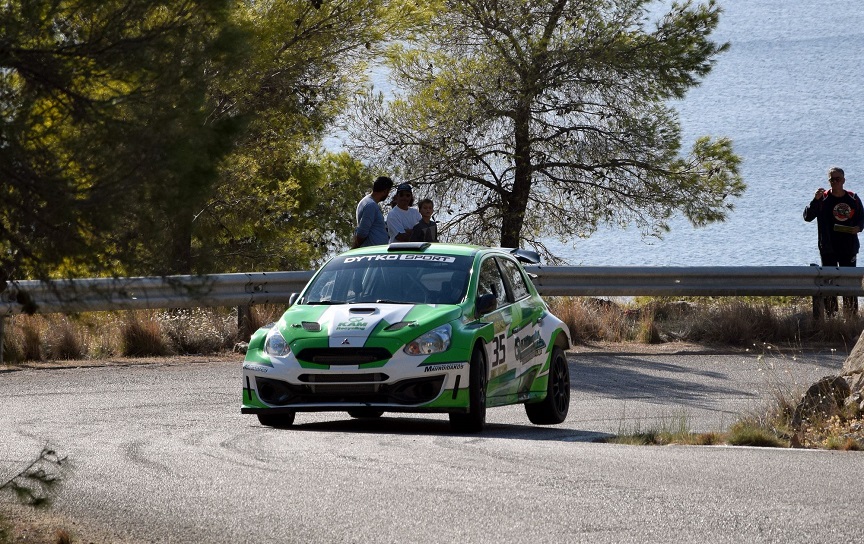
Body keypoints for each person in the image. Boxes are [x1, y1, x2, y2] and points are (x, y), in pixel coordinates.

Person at [803, 166, 864, 315]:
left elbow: (862, 218)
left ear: (843, 180)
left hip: (848, 247)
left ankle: (850, 315)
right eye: (832, 179)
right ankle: (831, 315)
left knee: (848, 282)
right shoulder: (822, 199)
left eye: (838, 179)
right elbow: (807, 217)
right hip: (828, 247)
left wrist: (859, 227)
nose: (835, 182)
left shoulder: (853, 198)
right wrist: (814, 200)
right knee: (829, 282)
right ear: (828, 181)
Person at [352, 176, 394, 248]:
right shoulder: (371, 205)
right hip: (372, 253)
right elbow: (362, 233)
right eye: (388, 192)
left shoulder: (367, 201)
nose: (388, 195)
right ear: (385, 191)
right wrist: (354, 250)